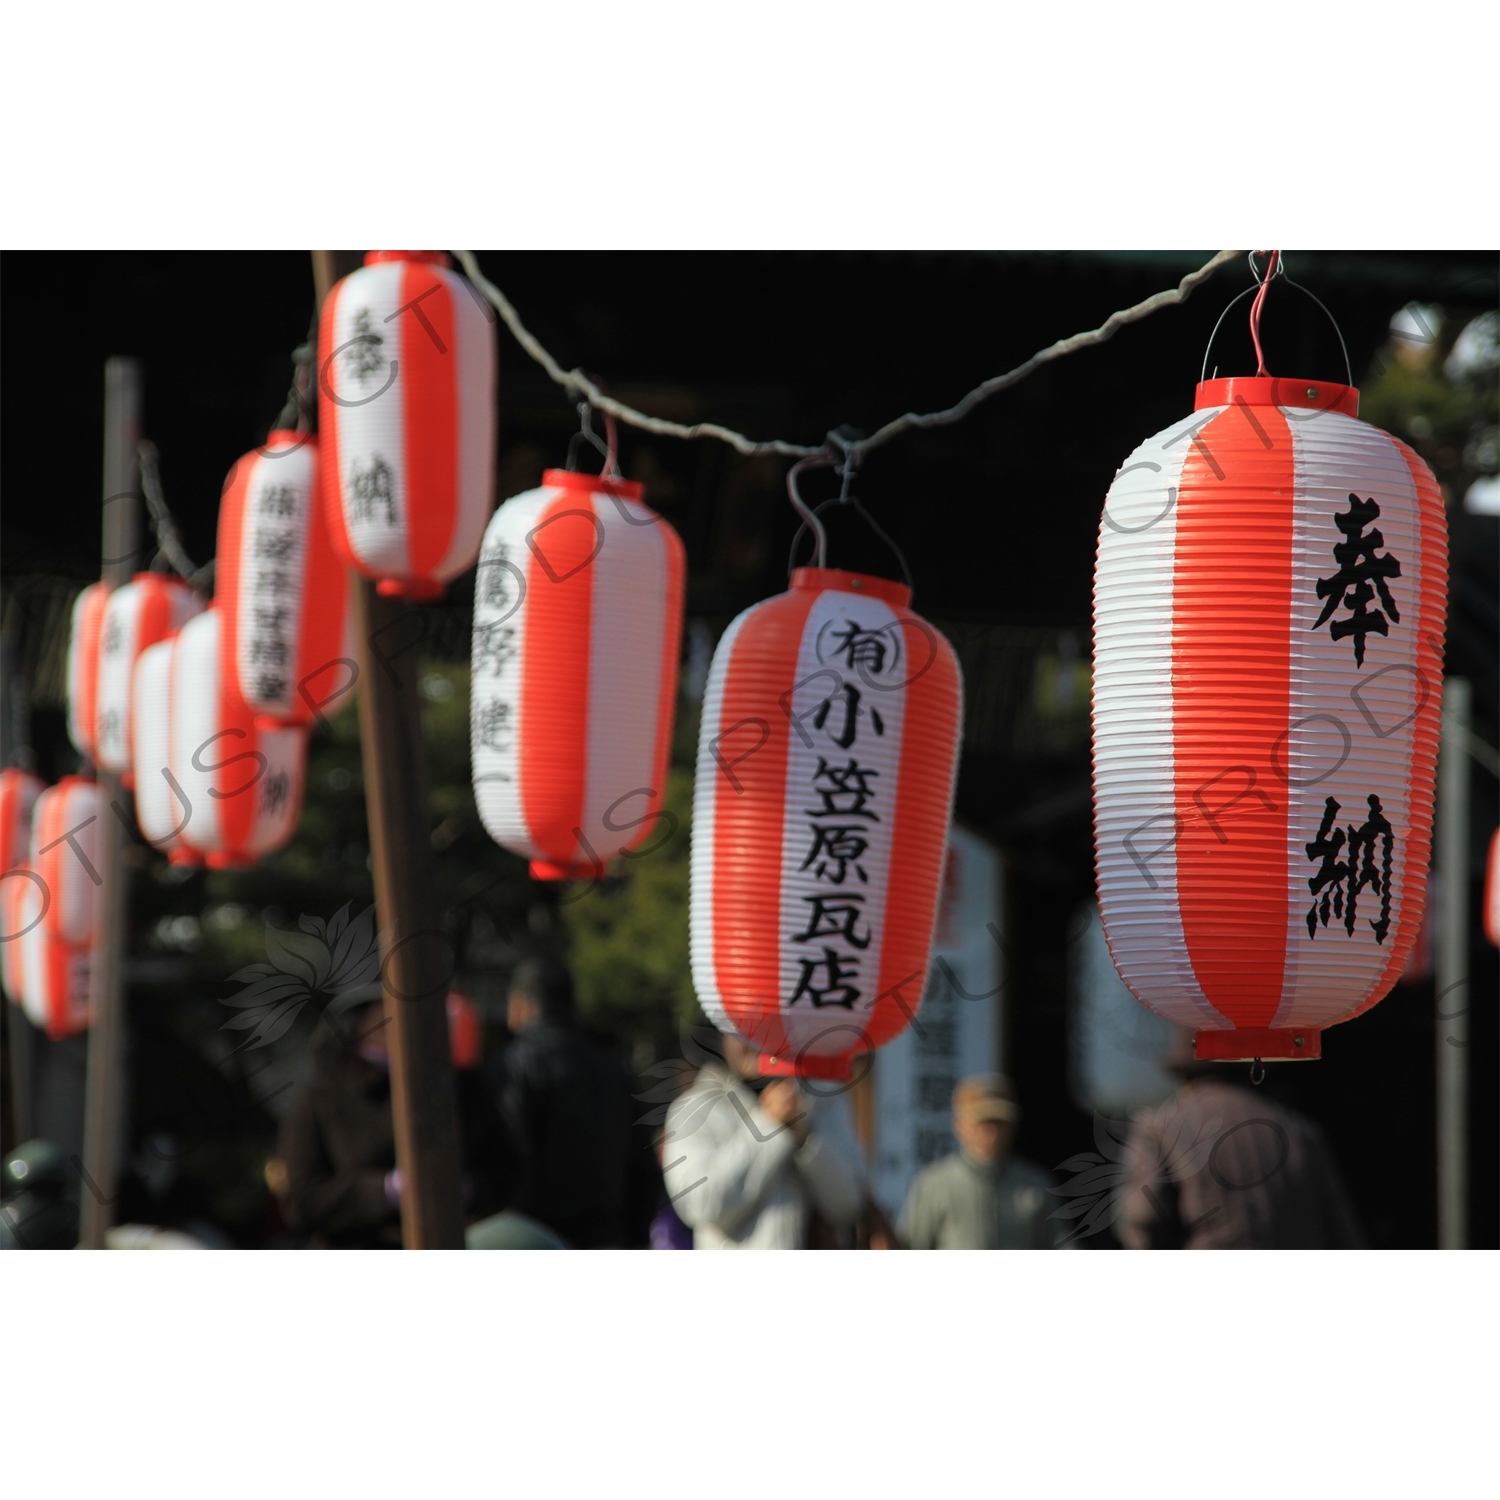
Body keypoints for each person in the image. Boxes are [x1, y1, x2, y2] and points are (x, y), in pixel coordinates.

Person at [276, 995, 511, 1248]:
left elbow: (508, 1170)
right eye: (384, 1010)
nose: (398, 1018)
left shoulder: (460, 1086)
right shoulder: (323, 1094)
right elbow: (301, 1200)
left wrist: (464, 1189)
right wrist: (388, 1192)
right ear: (358, 1020)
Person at [487, 958, 659, 1248]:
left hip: (530, 1240)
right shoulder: (615, 1071)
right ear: (573, 1007)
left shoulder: (509, 1067)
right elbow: (643, 1173)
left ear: (518, 1006)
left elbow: (498, 1165)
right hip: (605, 1240)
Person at [1120, 1049, 1364, 1250]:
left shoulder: (1161, 1128)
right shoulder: (1299, 1130)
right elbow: (1341, 1234)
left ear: (1186, 1077)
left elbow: (1144, 1221)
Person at [661, 1034, 864, 1249]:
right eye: (740, 1030)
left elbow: (850, 1204)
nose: (756, 1039)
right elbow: (699, 1205)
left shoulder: (822, 1098)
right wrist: (768, 1126)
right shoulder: (693, 1108)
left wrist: (805, 1138)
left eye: (771, 1025)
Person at [899, 1074, 1060, 1249]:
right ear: (959, 1126)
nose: (990, 1132)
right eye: (980, 1122)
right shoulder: (934, 1184)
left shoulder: (1034, 1186)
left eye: (998, 1122)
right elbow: (910, 1248)